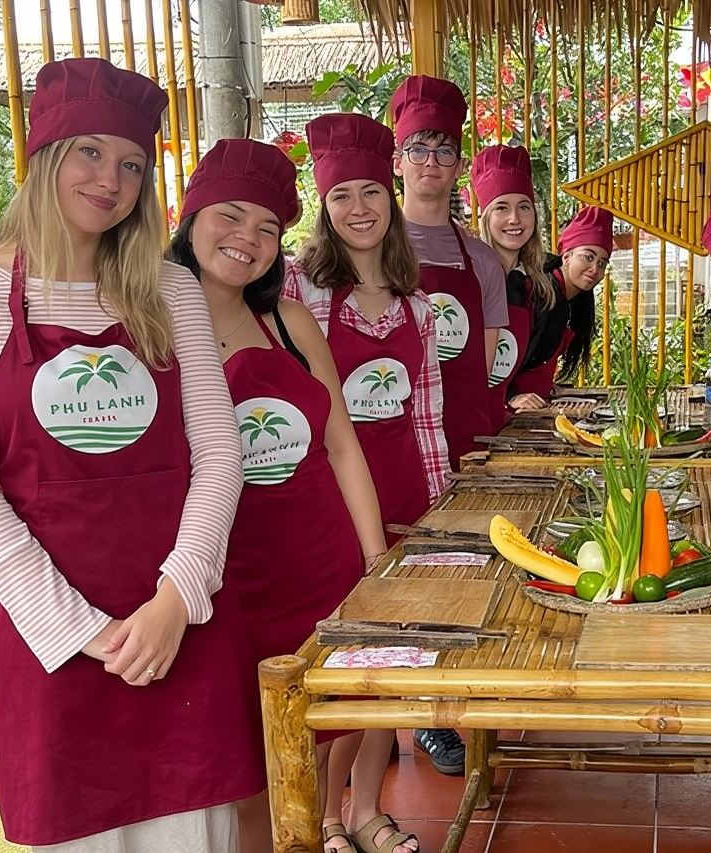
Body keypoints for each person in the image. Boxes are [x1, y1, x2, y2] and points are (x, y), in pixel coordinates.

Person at [0, 57, 261, 851]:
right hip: (56, 641)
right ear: (43, 156)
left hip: (182, 618)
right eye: (91, 153)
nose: (112, 179)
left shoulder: (169, 289)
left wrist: (177, 599)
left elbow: (219, 455)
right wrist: (82, 628)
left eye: (133, 164)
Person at [170, 138, 412, 853]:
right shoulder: (148, 324)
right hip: (223, 578)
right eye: (231, 216)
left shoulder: (288, 321)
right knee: (241, 766)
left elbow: (341, 444)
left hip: (319, 561)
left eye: (269, 227)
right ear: (189, 219)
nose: (248, 239)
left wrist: (374, 559)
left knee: (315, 741)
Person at [282, 112, 458, 796]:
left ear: (392, 195)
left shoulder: (417, 305)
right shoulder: (297, 290)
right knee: (337, 663)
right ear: (324, 209)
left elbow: (427, 419)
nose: (360, 210)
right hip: (330, 502)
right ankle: (326, 813)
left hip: (405, 497)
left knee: (392, 660)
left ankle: (366, 811)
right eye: (341, 197)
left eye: (371, 193)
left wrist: (439, 517)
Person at [390, 74, 510, 466]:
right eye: (418, 150)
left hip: (465, 439)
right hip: (395, 443)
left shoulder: (484, 261)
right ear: (397, 162)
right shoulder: (374, 253)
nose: (431, 162)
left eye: (444, 152)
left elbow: (484, 368)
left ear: (459, 166)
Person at [470, 144, 556, 431]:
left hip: (503, 426)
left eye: (524, 207)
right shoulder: (470, 279)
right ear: (486, 217)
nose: (515, 219)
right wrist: (508, 401)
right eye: (502, 208)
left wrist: (511, 399)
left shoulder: (531, 285)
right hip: (469, 426)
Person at [506, 206, 613, 409]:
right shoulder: (537, 292)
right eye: (588, 257)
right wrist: (509, 397)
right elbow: (501, 356)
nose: (595, 269)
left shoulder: (573, 301)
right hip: (512, 410)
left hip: (537, 405)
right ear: (566, 256)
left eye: (602, 263)